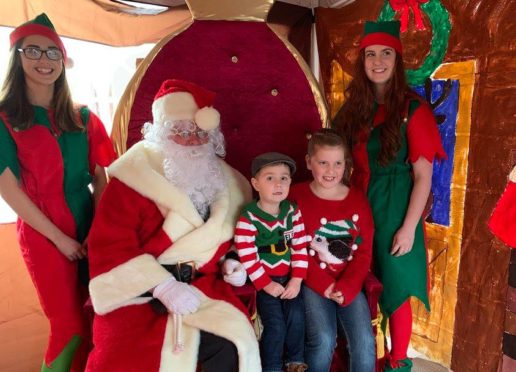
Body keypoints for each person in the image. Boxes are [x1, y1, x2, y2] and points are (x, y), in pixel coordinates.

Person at [85, 79, 261, 372]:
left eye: (200, 132)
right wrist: (162, 285)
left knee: (233, 345)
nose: (192, 140)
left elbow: (237, 235)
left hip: (204, 287)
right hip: (139, 291)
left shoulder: (232, 183)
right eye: (181, 131)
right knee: (130, 357)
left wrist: (233, 261)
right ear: (162, 134)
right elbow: (109, 246)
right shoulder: (131, 179)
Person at [0, 13, 116, 372]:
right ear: (17, 56)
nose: (43, 60)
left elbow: (103, 178)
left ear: (63, 62)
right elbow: (8, 188)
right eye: (33, 50)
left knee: (100, 316)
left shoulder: (83, 116)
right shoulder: (4, 117)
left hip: (90, 225)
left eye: (53, 53)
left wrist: (99, 231)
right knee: (67, 324)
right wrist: (60, 239)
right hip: (42, 234)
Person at [332, 21, 447, 371]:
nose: (377, 61)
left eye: (385, 54)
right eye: (370, 54)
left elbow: (424, 176)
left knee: (395, 293)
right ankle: (357, 358)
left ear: (397, 61)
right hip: (356, 206)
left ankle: (398, 363)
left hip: (396, 210)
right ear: (362, 61)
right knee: (356, 285)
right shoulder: (353, 110)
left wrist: (409, 227)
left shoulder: (415, 110)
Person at [288, 128, 376, 372]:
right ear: (309, 162)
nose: (331, 171)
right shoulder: (296, 197)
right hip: (313, 281)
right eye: (323, 163)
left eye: (337, 163)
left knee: (365, 341)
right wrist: (323, 285)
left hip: (348, 281)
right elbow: (294, 249)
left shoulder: (358, 200)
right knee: (324, 338)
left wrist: (348, 286)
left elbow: (364, 252)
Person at [235, 152, 309, 372]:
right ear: (255, 183)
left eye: (284, 178)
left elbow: (299, 247)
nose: (278, 184)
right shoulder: (248, 217)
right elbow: (247, 254)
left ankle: (294, 361)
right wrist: (266, 284)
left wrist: (296, 280)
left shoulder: (292, 212)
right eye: (270, 178)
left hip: (289, 278)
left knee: (297, 317)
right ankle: (272, 367)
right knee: (275, 325)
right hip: (263, 281)